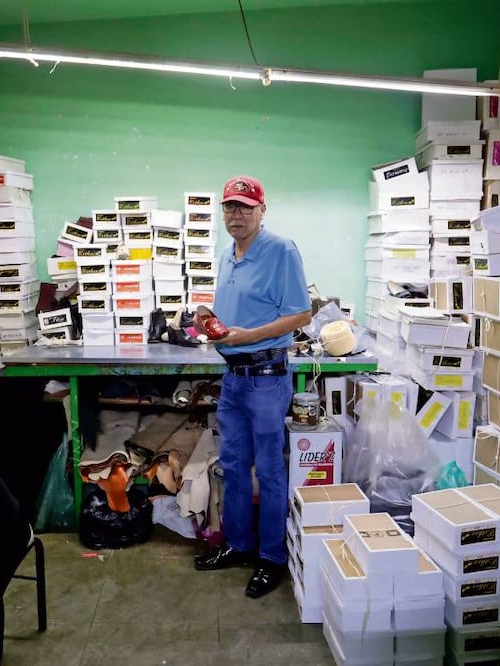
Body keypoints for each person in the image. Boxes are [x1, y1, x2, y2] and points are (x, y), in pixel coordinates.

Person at [193, 175, 312, 599]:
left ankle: (272, 558)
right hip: (233, 380)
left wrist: (249, 337)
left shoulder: (281, 250)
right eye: (229, 207)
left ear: (263, 210)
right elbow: (232, 312)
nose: (236, 214)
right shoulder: (227, 254)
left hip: (266, 378)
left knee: (271, 469)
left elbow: (301, 315)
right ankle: (238, 545)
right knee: (234, 465)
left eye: (245, 206)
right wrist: (207, 316)